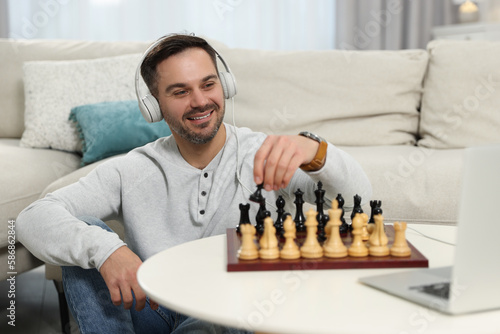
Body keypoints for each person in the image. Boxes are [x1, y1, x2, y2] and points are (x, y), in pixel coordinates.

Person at [17, 34, 372, 333]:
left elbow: (362, 205)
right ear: (153, 105)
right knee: (86, 236)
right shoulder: (133, 168)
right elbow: (34, 218)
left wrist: (316, 150)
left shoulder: (265, 154)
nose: (200, 101)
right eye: (180, 91)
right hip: (151, 306)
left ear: (225, 85)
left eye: (208, 84)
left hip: (226, 312)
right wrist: (106, 250)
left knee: (238, 292)